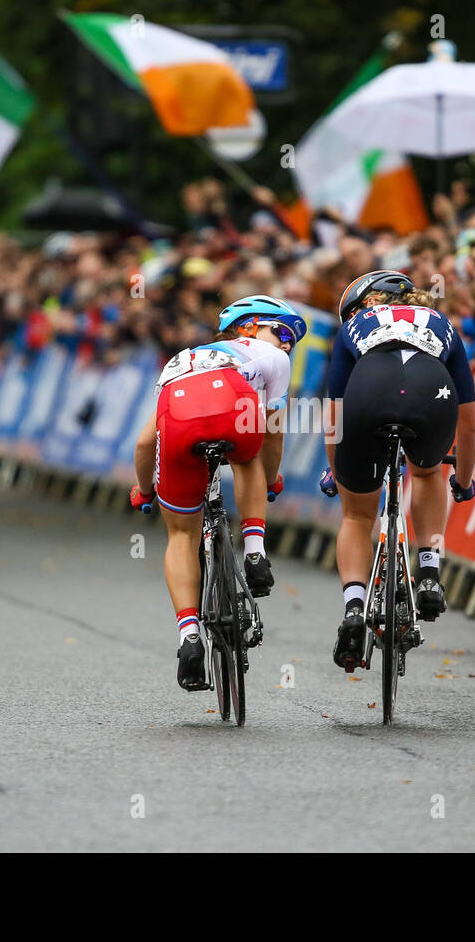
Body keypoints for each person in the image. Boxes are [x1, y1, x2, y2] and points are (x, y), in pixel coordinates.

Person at [130, 295, 306, 689]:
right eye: (283, 331)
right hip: (232, 408)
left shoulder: (178, 360)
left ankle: (189, 634)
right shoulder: (270, 356)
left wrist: (143, 492)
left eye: (293, 339)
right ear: (248, 328)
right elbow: (273, 432)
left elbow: (145, 444)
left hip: (178, 418)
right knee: (248, 457)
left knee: (180, 534)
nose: (288, 343)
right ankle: (255, 553)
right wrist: (272, 477)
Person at [319, 270, 475, 671]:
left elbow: (334, 415)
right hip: (432, 392)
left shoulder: (355, 327)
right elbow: (470, 424)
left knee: (356, 516)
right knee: (426, 473)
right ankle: (428, 571)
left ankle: (354, 609)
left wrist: (334, 468)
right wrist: (462, 480)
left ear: (371, 302)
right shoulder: (444, 325)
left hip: (369, 392)